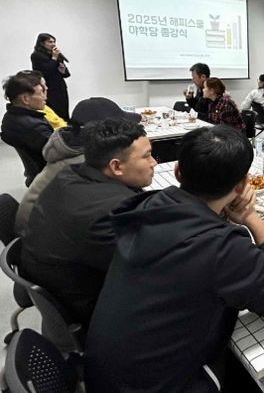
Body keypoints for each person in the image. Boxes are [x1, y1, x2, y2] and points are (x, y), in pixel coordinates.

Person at [84, 125, 264, 393]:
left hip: (105, 376)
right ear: (242, 185)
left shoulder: (148, 206)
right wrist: (252, 219)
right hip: (167, 385)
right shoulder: (222, 248)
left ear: (178, 172)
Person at [20, 118, 156, 329]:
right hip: (91, 309)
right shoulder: (109, 213)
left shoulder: (70, 174)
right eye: (147, 156)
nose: (154, 162)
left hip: (60, 281)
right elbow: (151, 270)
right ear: (116, 166)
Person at [15, 97, 141, 235]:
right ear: (104, 134)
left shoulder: (70, 147)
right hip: (39, 233)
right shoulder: (86, 161)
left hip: (41, 224)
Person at [1, 71, 53, 172]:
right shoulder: (34, 127)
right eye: (41, 92)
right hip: (49, 174)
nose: (45, 97)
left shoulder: (11, 116)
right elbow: (60, 152)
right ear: (25, 99)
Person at [31, 33, 70, 120]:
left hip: (60, 87)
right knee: (52, 114)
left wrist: (63, 70)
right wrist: (54, 58)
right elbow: (46, 71)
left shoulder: (56, 55)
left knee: (64, 113)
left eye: (54, 42)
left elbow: (67, 74)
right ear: (42, 43)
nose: (53, 44)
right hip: (48, 89)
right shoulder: (36, 56)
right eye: (50, 42)